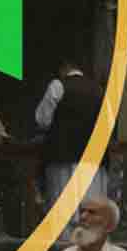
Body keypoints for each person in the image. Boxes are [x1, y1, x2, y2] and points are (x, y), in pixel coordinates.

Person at [35, 60, 105, 237]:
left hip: (63, 158)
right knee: (91, 215)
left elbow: (42, 120)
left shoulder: (58, 86)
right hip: (93, 161)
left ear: (63, 69)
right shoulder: (98, 90)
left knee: (63, 215)